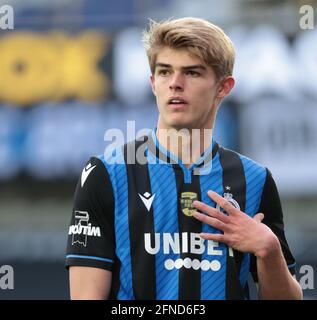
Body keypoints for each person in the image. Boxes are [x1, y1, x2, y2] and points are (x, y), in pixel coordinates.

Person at [65, 17, 303, 300]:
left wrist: (269, 249)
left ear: (224, 87)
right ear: (153, 83)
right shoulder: (106, 172)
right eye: (165, 72)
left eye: (192, 73)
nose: (175, 84)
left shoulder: (255, 179)